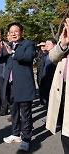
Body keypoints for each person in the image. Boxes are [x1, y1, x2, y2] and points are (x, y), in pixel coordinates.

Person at [0, 22, 36, 151]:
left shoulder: (28, 44)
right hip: (10, 84)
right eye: (11, 31)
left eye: (16, 31)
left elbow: (29, 57)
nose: (13, 33)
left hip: (23, 84)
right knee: (13, 112)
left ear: (21, 32)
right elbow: (2, 60)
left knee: (25, 113)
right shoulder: (8, 45)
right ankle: (15, 133)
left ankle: (26, 138)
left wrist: (12, 52)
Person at [46, 18, 69, 154]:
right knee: (65, 136)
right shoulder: (65, 38)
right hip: (63, 91)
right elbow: (52, 57)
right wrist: (64, 44)